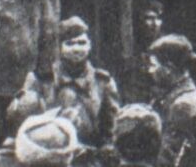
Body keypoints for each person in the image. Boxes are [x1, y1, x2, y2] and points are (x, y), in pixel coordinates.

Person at [21, 16, 121, 147]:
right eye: (70, 43)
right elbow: (26, 125)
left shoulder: (103, 82)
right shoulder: (41, 80)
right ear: (60, 47)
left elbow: (111, 129)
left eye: (81, 43)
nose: (76, 49)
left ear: (89, 45)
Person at [147, 34, 196, 167]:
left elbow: (167, 161)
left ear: (169, 68)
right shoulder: (177, 95)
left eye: (153, 65)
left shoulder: (183, 106)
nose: (150, 71)